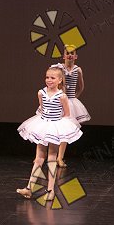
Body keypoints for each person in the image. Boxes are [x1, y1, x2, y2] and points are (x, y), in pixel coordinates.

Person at [17, 64, 82, 204]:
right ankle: (29, 188)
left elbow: (67, 114)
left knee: (52, 158)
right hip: (43, 126)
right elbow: (41, 108)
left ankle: (51, 190)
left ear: (60, 80)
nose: (49, 80)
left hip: (55, 127)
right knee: (39, 158)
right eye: (47, 77)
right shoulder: (41, 93)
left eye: (52, 78)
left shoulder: (62, 96)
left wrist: (57, 126)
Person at [55, 44, 90, 167]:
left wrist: (74, 98)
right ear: (63, 56)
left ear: (76, 56)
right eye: (67, 53)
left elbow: (81, 86)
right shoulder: (59, 68)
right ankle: (49, 155)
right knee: (54, 129)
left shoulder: (77, 70)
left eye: (72, 53)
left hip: (70, 102)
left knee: (65, 130)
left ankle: (60, 157)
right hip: (59, 101)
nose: (69, 55)